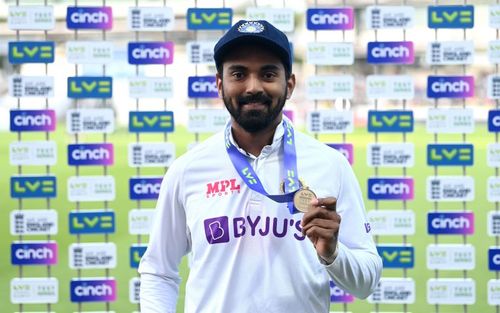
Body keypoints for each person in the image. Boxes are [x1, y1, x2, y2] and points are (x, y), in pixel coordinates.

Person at [138, 20, 382, 313]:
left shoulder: (330, 164)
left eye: (267, 73)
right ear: (219, 84)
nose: (253, 87)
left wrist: (333, 255)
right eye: (239, 74)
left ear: (289, 84)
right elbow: (158, 271)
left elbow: (367, 282)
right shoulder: (187, 170)